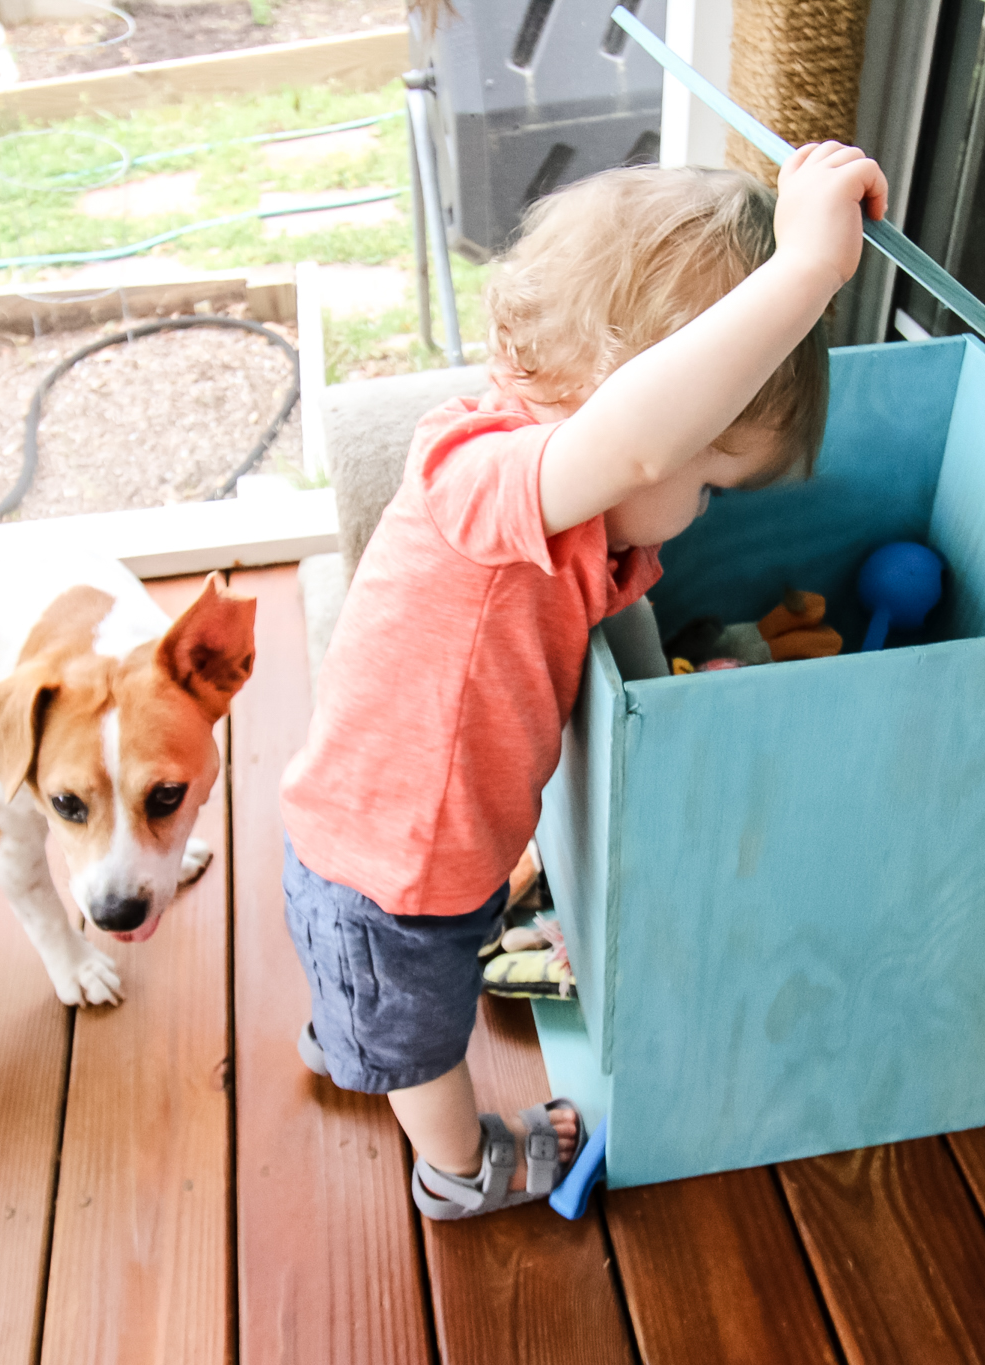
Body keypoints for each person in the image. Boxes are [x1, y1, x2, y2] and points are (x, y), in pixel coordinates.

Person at [278, 144, 888, 1219]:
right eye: (711, 478)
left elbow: (637, 491)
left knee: (376, 1005)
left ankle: (350, 1029)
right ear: (649, 418)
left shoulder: (562, 508)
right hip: (392, 876)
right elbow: (641, 452)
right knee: (423, 1042)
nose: (697, 506)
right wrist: (802, 269)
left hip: (410, 853)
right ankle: (455, 1174)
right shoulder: (487, 478)